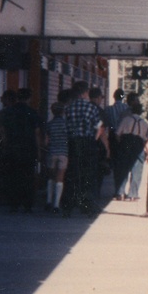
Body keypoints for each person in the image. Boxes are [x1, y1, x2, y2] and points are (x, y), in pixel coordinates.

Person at [62, 81, 106, 217]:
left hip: (72, 143)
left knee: (72, 175)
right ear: (85, 93)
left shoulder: (68, 108)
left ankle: (67, 207)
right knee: (88, 176)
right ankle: (88, 207)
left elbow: (65, 127)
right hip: (88, 143)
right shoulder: (91, 108)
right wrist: (94, 139)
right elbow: (99, 128)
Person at [0, 89, 42, 212]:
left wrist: (4, 145)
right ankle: (27, 205)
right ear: (29, 98)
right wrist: (38, 150)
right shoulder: (33, 112)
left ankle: (14, 204)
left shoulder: (5, 112)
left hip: (11, 148)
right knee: (28, 177)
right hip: (29, 149)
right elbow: (37, 133)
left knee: (13, 176)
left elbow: (0, 131)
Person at [113, 101, 148, 202]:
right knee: (137, 169)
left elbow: (117, 133)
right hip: (138, 145)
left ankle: (120, 193)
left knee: (123, 169)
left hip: (126, 144)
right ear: (141, 112)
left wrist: (121, 142)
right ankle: (133, 194)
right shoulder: (144, 122)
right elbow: (147, 138)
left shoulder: (126, 120)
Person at [44, 102, 68, 213]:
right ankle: (56, 205)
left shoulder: (49, 124)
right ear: (63, 111)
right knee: (60, 178)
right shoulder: (66, 124)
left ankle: (48, 201)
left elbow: (46, 140)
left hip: (52, 152)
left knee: (51, 177)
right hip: (63, 153)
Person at [88, 87, 111, 204]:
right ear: (97, 98)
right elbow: (102, 132)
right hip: (97, 146)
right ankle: (94, 196)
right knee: (97, 172)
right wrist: (107, 148)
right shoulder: (101, 112)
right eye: (101, 98)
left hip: (81, 143)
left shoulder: (85, 108)